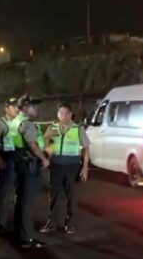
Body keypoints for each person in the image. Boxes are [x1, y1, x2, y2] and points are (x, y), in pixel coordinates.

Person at [40, 103, 90, 234]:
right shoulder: (52, 128)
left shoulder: (78, 129)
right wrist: (47, 139)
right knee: (54, 195)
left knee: (71, 196)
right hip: (56, 166)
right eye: (61, 113)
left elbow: (86, 149)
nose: (64, 116)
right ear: (57, 114)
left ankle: (70, 223)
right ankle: (52, 223)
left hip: (72, 167)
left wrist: (85, 168)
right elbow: (47, 147)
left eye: (67, 113)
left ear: (71, 114)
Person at [11, 95, 50, 248]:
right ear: (25, 108)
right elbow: (32, 145)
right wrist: (44, 158)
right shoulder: (26, 124)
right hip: (28, 165)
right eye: (34, 106)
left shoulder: (15, 121)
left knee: (21, 201)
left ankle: (19, 234)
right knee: (27, 203)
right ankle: (27, 238)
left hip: (19, 163)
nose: (37, 109)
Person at [0, 97, 20, 232]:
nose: (16, 109)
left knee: (21, 192)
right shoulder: (0, 125)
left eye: (18, 107)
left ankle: (19, 221)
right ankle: (0, 222)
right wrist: (0, 161)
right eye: (14, 107)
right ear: (6, 109)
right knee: (4, 193)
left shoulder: (21, 123)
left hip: (20, 160)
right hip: (7, 161)